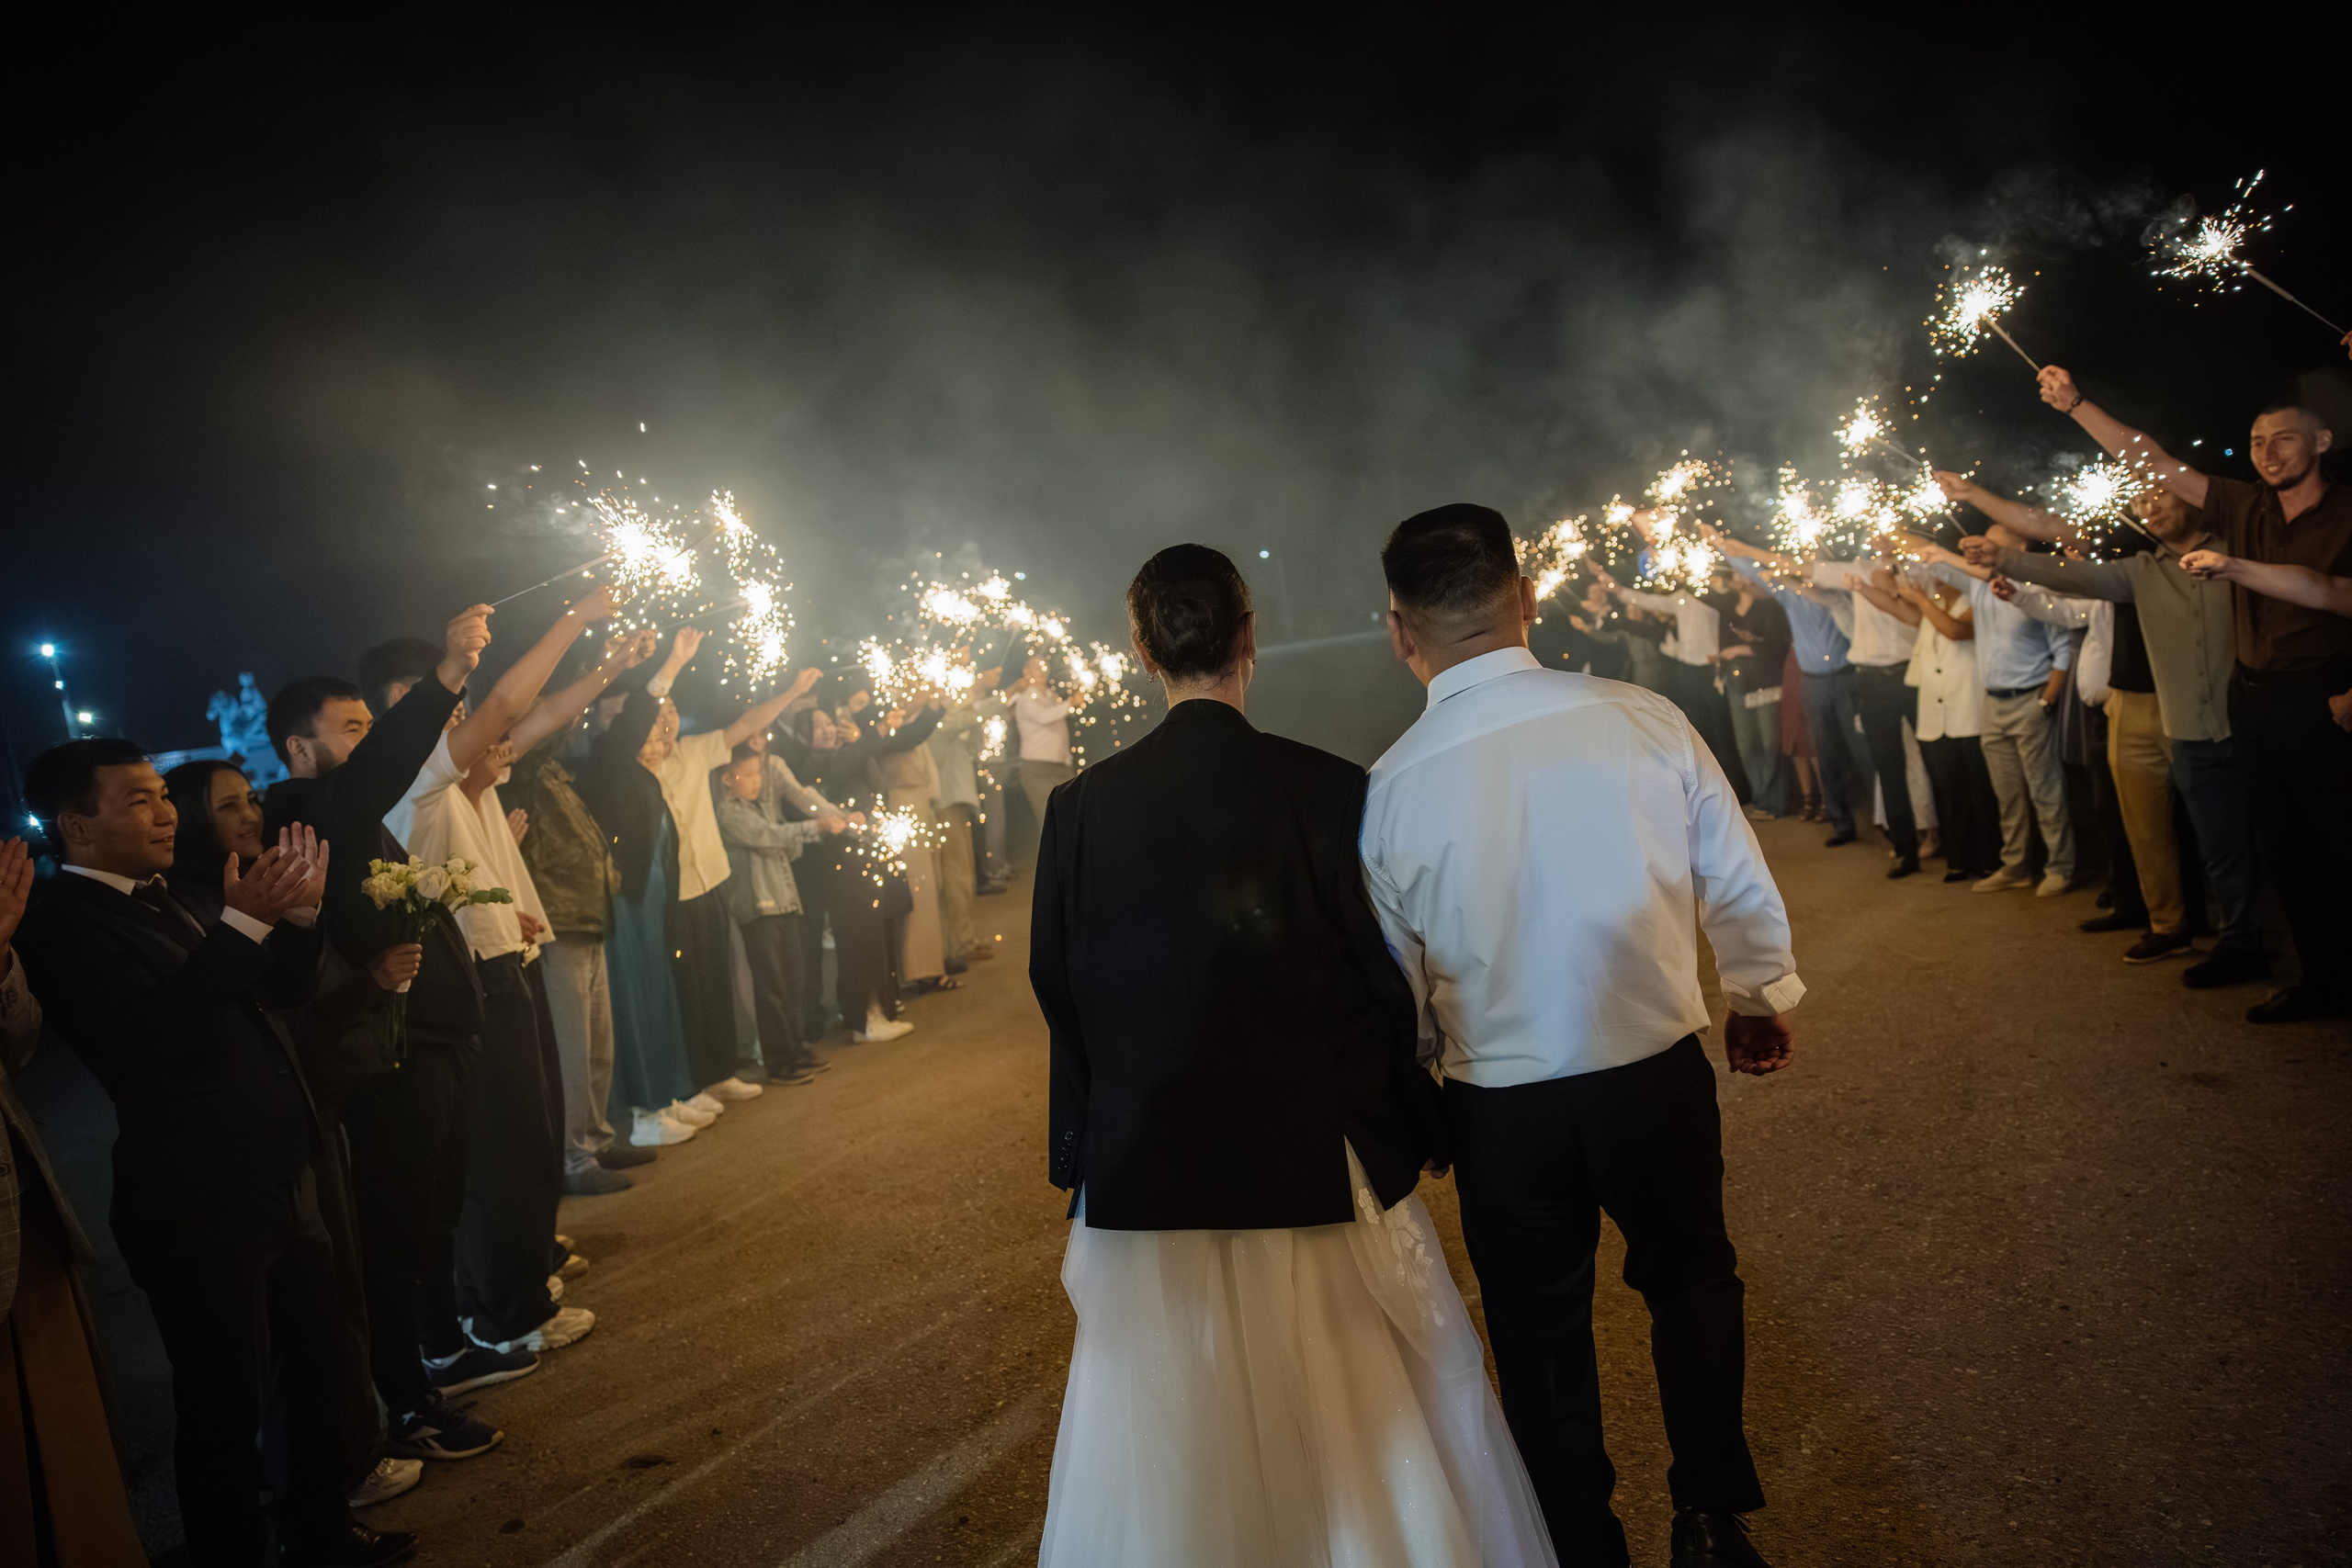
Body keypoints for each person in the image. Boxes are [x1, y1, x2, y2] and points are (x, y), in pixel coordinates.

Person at [1032, 543, 1553, 1568]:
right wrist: (1410, 1114)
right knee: (1354, 1398)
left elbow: (1062, 988)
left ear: (1142, 650)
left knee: (1176, 1421)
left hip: (1146, 1164)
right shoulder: (1323, 787)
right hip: (1314, 1146)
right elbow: (1378, 978)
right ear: (1249, 639)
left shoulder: (1078, 810)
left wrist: (1094, 1139)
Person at [1363, 505, 1799, 1568]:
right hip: (1650, 1070)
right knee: (1691, 1276)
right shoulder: (1641, 718)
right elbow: (1733, 878)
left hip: (1501, 1101)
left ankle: (1576, 1542)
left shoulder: (1386, 789)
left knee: (1536, 1328)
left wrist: (1428, 1080)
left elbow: (1397, 983)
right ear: (1524, 596)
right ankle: (1707, 1515)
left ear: (1399, 631)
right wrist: (1753, 996)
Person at [17, 741, 414, 1568]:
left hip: (277, 1172)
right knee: (223, 1410)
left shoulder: (175, 896)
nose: (166, 812)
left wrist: (297, 925)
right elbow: (152, 1042)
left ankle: (323, 1535)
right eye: (138, 801)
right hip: (195, 1196)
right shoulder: (64, 925)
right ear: (75, 824)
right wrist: (243, 924)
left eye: (164, 795)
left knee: (313, 1374)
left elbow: (275, 995)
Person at [265, 607, 512, 1465]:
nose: (371, 744)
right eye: (354, 729)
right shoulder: (305, 811)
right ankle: (405, 1400)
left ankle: (425, 1375)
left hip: (428, 1041)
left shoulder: (346, 813)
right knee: (393, 1234)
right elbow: (378, 776)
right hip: (382, 1061)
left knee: (427, 1220)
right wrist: (449, 673)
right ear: (299, 748)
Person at [2036, 367, 2352, 1022]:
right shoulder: (2245, 505)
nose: (2267, 452)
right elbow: (2149, 457)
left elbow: (2332, 593)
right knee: (2287, 851)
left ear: (2322, 442)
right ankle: (2322, 981)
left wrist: (2236, 568)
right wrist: (2077, 406)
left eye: (2284, 439)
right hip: (2256, 700)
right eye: (2258, 440)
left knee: (2338, 844)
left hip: (2325, 700)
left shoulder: (2345, 513)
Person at [160, 760, 422, 1514]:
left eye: (251, 798)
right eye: (227, 805)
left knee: (327, 1309)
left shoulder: (244, 889)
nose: (250, 814)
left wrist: (299, 922)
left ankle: (338, 1473)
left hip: (298, 1116)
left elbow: (285, 988)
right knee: (270, 1351)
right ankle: (336, 1468)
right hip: (236, 1154)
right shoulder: (194, 904)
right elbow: (259, 1020)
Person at [362, 592, 612, 1362]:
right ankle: (507, 1309)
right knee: (500, 1153)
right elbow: (511, 701)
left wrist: (611, 663)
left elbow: (527, 716)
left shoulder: (454, 774)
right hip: (469, 979)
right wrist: (579, 614)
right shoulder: (409, 772)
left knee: (522, 1144)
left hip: (503, 962)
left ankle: (518, 1287)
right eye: (430, 692)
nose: (456, 705)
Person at [1950, 478, 2261, 982]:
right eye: (2140, 500)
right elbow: (2069, 593)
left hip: (2190, 704)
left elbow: (2049, 534)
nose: (2150, 506)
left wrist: (1978, 505)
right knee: (2141, 826)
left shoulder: (2206, 561)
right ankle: (2166, 922)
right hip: (2128, 704)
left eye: (2161, 495)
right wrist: (2009, 573)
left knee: (2215, 828)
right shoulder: (2133, 568)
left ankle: (2237, 932)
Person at [0, 833, 148, 1568]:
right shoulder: (75, 919)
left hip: (20, 1200)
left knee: (64, 1437)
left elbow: (19, 1041)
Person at [632, 631, 824, 1104]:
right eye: (659, 715)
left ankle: (719, 1071)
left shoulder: (698, 752)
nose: (669, 722)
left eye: (673, 712)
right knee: (687, 987)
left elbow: (745, 725)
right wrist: (672, 661)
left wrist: (792, 693)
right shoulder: (638, 767)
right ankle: (693, 1078)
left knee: (717, 980)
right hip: (669, 891)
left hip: (712, 883)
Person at [504, 632, 663, 1195]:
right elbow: (547, 725)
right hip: (555, 918)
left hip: (585, 915)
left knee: (598, 1042)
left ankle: (594, 1139)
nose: (573, 721)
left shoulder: (556, 774)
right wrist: (597, 662)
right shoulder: (520, 767)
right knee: (574, 1049)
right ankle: (575, 1160)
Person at [1707, 530, 1883, 854]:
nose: (1806, 567)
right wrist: (1720, 544)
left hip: (1846, 679)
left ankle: (1887, 824)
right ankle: (1841, 823)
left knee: (1864, 752)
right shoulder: (1790, 593)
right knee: (1826, 754)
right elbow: (1752, 570)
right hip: (1813, 683)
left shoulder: (1839, 593)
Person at [792, 698, 944, 1043]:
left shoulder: (849, 754)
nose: (829, 729)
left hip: (868, 853)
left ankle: (875, 1012)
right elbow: (836, 772)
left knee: (874, 933)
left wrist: (865, 739)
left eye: (829, 722)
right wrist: (872, 735)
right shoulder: (810, 765)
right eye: (818, 726)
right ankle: (866, 1018)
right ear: (802, 738)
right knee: (858, 937)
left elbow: (876, 783)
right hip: (842, 860)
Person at [714, 746, 850, 1085]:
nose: (756, 781)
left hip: (784, 900)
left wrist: (803, 832)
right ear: (727, 779)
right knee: (772, 987)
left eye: (758, 773)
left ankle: (797, 1050)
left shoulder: (761, 808)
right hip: (759, 907)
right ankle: (780, 1061)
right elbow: (772, 837)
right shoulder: (729, 812)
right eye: (747, 775)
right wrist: (814, 826)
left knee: (793, 982)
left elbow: (788, 846)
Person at [1883, 574, 2002, 883]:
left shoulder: (1976, 600)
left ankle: (1989, 860)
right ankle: (1959, 860)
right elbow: (1901, 612)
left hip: (1968, 708)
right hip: (1935, 714)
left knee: (1980, 791)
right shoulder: (1932, 606)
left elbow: (1956, 631)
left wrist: (1922, 600)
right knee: (1950, 791)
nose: (1934, 579)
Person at [926, 668, 1003, 969]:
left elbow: (975, 744)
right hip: (946, 804)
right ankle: (959, 943)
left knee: (963, 876)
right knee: (956, 878)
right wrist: (998, 695)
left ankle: (963, 939)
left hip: (957, 802)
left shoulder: (952, 720)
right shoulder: (936, 721)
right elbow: (964, 717)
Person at [1711, 563, 1793, 818]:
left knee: (1770, 742)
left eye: (1742, 573)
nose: (1739, 578)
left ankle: (1775, 802)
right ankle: (1759, 798)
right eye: (1735, 573)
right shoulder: (1728, 610)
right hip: (1737, 682)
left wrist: (1741, 649)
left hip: (1765, 680)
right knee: (1747, 744)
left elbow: (1778, 646)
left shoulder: (1768, 607)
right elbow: (1723, 644)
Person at [1006, 656, 1079, 872]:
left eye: (1044, 666)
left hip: (1061, 767)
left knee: (1072, 819)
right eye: (1036, 666)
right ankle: (1053, 875)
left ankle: (1071, 870)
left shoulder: (1052, 696)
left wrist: (1067, 760)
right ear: (1026, 670)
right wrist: (1071, 703)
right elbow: (1045, 717)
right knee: (1051, 822)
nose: (1041, 670)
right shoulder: (1025, 699)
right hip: (1037, 769)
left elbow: (1059, 731)